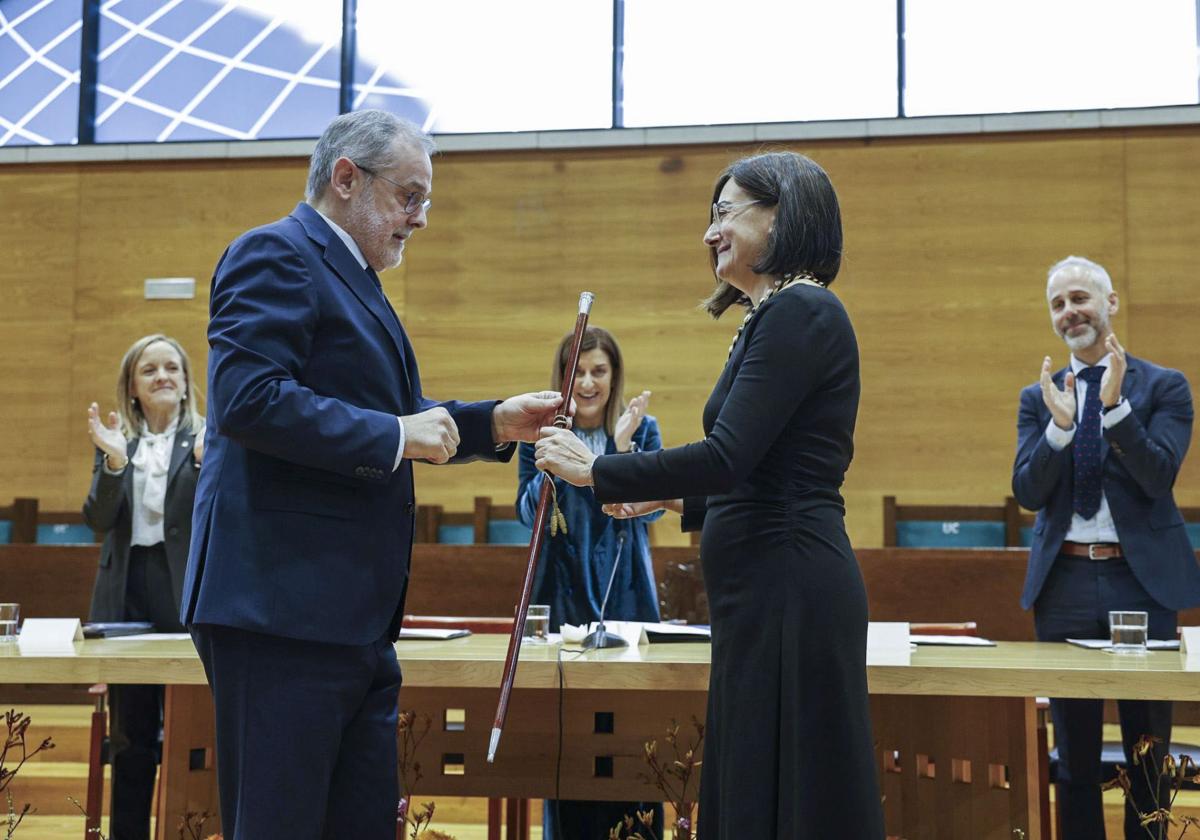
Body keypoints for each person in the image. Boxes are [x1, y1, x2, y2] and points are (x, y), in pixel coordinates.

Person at [180, 109, 565, 840]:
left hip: (349, 620)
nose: (419, 218)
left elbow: (394, 416)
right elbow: (247, 399)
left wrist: (492, 423)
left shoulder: (356, 281)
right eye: (408, 196)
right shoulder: (276, 253)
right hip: (278, 610)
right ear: (346, 178)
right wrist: (395, 432)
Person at [534, 151, 884, 839]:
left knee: (790, 795)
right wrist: (662, 501)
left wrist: (595, 471)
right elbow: (755, 473)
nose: (710, 232)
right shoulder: (773, 314)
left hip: (787, 585)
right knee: (760, 785)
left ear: (782, 215)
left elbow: (727, 459)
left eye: (725, 212)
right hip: (763, 587)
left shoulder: (801, 309)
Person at [1012, 255, 1200, 839]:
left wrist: (1115, 410)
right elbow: (1027, 491)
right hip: (1064, 583)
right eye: (1058, 304)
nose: (1070, 313)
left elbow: (1156, 476)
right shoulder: (1037, 397)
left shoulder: (1165, 386)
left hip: (1139, 583)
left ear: (1110, 303)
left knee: (1147, 751)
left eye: (1080, 298)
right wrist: (1061, 427)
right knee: (1072, 753)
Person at [516, 325, 663, 839]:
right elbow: (525, 511)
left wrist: (617, 454)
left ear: (614, 376)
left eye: (598, 370)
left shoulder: (643, 431)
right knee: (571, 749)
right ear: (562, 377)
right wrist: (554, 461)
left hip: (627, 601)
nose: (587, 381)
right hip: (562, 605)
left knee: (632, 745)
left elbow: (644, 516)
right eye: (577, 370)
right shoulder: (540, 433)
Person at [83, 333, 205, 840]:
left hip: (187, 592)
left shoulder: (206, 438)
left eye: (172, 368)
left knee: (196, 732)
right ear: (132, 387)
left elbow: (218, 518)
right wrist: (113, 464)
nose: (162, 377)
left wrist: (203, 464)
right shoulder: (118, 441)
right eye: (150, 370)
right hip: (128, 592)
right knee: (132, 736)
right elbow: (98, 518)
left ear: (185, 382)